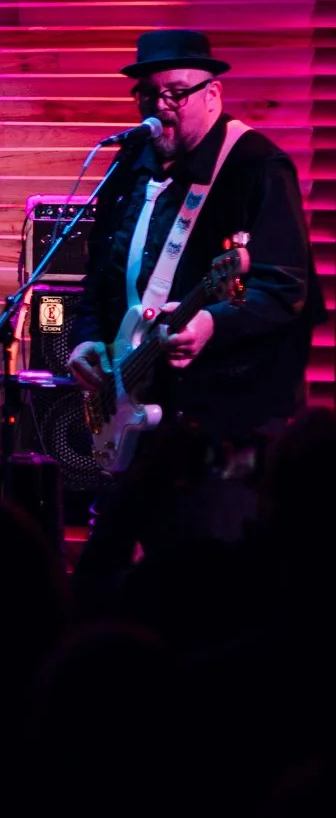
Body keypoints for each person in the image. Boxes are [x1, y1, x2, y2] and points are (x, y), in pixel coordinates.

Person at [67, 29, 324, 547]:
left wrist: (214, 321)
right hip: (142, 409)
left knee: (210, 572)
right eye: (147, 94)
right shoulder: (130, 167)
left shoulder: (255, 166)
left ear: (213, 93)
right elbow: (101, 276)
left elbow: (285, 288)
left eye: (175, 93)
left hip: (227, 419)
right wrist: (89, 337)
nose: (160, 107)